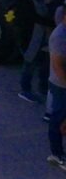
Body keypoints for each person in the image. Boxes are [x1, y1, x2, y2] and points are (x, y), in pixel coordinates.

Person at [8, 0, 55, 103]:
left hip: (42, 38)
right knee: (30, 64)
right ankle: (25, 90)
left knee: (45, 63)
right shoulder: (23, 0)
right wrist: (53, 24)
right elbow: (34, 18)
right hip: (29, 39)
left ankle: (43, 87)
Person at [47, 9, 66, 170]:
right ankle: (57, 155)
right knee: (58, 118)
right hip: (62, 85)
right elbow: (58, 67)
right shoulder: (59, 37)